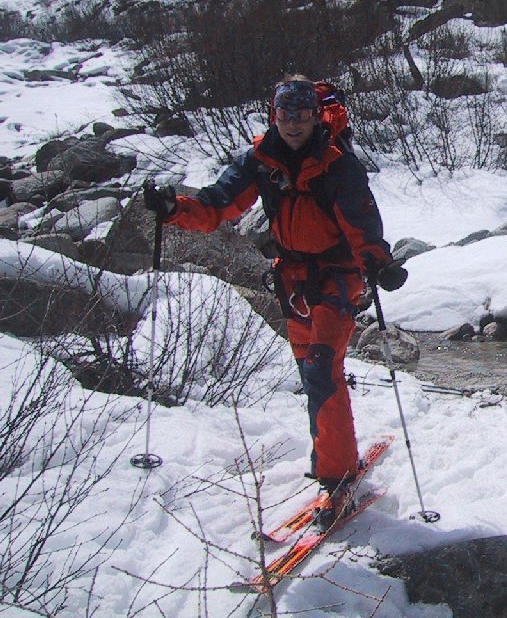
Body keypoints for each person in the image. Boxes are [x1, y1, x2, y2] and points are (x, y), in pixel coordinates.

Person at [143, 75, 407, 529]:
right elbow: (219, 203)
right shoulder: (260, 160)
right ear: (274, 115)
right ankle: (332, 458)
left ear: (315, 116)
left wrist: (378, 263)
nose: (293, 124)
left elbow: (361, 218)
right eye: (286, 115)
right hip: (292, 279)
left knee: (323, 367)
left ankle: (337, 476)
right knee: (314, 372)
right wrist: (174, 209)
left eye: (303, 115)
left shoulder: (337, 162)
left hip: (336, 276)